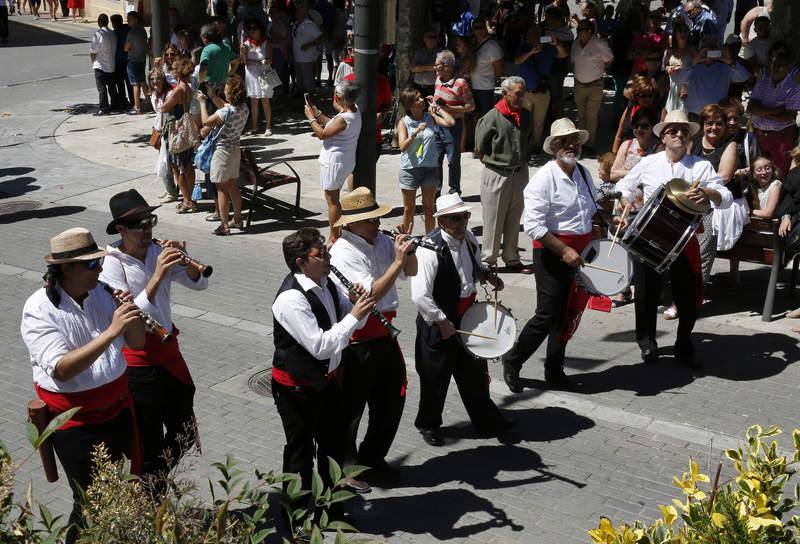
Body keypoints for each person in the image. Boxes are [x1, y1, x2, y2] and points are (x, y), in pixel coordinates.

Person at [21, 227, 145, 544]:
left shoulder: (103, 293)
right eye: (91, 265)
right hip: (75, 425)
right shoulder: (39, 309)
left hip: (115, 412)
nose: (100, 269)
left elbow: (137, 343)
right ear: (66, 268)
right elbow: (62, 370)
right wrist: (110, 331)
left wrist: (132, 318)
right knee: (89, 501)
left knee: (117, 489)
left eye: (98, 262)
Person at [100, 189, 208, 486]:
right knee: (148, 434)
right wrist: (158, 275)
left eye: (151, 222)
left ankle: (152, 478)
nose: (148, 229)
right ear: (121, 229)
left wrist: (187, 265)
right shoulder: (111, 263)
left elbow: (200, 285)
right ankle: (151, 488)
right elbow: (130, 316)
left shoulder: (156, 251)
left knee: (184, 428)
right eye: (140, 225)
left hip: (167, 350)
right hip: (137, 360)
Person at [616, 110, 732, 368]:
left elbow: (726, 198)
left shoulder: (700, 166)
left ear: (689, 136)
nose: (678, 134)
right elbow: (624, 186)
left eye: (683, 130)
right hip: (650, 236)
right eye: (673, 130)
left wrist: (710, 192)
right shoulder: (648, 163)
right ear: (664, 136)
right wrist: (625, 202)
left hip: (685, 238)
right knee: (646, 292)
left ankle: (683, 343)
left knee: (688, 295)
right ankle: (647, 342)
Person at [271, 228, 374, 494]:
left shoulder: (326, 283)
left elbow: (351, 323)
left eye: (326, 251)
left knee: (333, 447)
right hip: (296, 388)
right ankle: (297, 518)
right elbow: (320, 346)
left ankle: (330, 507)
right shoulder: (291, 299)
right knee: (300, 453)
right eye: (321, 254)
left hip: (325, 382)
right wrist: (353, 316)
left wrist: (354, 306)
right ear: (301, 262)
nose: (328, 257)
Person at [502, 118, 599, 392]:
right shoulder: (544, 178)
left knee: (568, 313)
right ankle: (513, 360)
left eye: (574, 140)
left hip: (580, 253)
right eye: (564, 141)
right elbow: (533, 226)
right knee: (547, 315)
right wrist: (564, 249)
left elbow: (590, 211)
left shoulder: (583, 172)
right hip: (552, 253)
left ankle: (554, 369)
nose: (570, 145)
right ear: (554, 145)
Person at [329, 189, 416, 481]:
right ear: (351, 223)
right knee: (351, 409)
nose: (377, 224)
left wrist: (409, 253)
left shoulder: (380, 241)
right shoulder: (342, 252)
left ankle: (373, 456)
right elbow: (370, 296)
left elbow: (410, 272)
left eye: (377, 218)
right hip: (359, 340)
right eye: (370, 220)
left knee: (392, 400)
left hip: (384, 334)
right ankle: (346, 467)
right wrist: (397, 261)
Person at [411, 193, 511, 447]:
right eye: (455, 219)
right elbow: (420, 295)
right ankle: (429, 424)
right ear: (442, 221)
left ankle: (486, 419)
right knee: (435, 377)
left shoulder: (468, 239)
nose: (462, 223)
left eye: (465, 216)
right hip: (439, 320)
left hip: (466, 317)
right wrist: (441, 320)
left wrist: (488, 276)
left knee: (474, 373)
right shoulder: (429, 249)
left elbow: (475, 267)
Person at [475, 76, 533, 273]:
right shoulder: (492, 116)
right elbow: (480, 149)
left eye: (523, 93)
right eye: (518, 94)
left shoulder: (526, 115)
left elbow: (529, 140)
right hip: (497, 173)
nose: (522, 97)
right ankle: (489, 261)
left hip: (520, 173)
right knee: (493, 218)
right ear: (505, 93)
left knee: (514, 217)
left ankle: (511, 257)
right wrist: (497, 164)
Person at [304, 80, 362, 241]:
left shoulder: (344, 118)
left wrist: (310, 118)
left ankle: (334, 236)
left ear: (338, 97)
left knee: (332, 201)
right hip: (344, 161)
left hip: (334, 163)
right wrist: (317, 113)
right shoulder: (354, 112)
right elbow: (332, 125)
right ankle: (338, 231)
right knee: (334, 200)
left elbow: (322, 134)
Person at [396, 87, 455, 234]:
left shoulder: (430, 117)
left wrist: (437, 108)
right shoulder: (404, 122)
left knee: (429, 207)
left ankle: (430, 238)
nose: (422, 100)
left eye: (421, 97)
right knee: (409, 209)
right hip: (410, 169)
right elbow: (402, 147)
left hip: (430, 169)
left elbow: (450, 122)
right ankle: (406, 239)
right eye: (417, 99)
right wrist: (415, 133)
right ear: (410, 105)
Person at [199, 74, 249, 235]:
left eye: (226, 89)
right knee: (234, 187)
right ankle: (238, 219)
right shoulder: (243, 108)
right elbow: (225, 106)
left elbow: (206, 122)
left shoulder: (226, 111)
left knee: (221, 190)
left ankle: (224, 224)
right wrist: (213, 96)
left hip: (222, 152)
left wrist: (202, 103)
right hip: (235, 150)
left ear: (231, 92)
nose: (224, 91)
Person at [748, 50, 800, 179]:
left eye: (781, 65)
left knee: (779, 173)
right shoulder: (762, 82)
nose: (776, 68)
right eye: (774, 64)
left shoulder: (794, 88)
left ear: (788, 68)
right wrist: (776, 110)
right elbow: (751, 108)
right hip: (759, 136)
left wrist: (761, 112)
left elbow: (788, 117)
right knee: (757, 173)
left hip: (781, 138)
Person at [514, 24, 565, 152]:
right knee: (524, 119)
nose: (534, 36)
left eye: (537, 34)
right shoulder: (523, 47)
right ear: (527, 36)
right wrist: (531, 52)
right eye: (531, 34)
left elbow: (563, 55)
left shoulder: (548, 49)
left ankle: (535, 144)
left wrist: (557, 44)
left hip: (541, 91)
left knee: (539, 121)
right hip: (525, 92)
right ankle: (523, 142)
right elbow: (517, 61)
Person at [676, 37, 750, 119]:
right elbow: (679, 79)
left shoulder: (725, 67)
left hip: (716, 115)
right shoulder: (692, 67)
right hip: (694, 115)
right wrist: (695, 61)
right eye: (706, 49)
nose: (710, 51)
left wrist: (729, 61)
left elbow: (744, 77)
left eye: (713, 48)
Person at [434, 50, 475, 196]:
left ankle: (454, 191)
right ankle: (436, 191)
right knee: (436, 160)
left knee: (453, 161)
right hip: (437, 125)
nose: (435, 67)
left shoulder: (461, 83)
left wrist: (449, 108)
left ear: (446, 66)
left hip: (453, 127)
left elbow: (471, 106)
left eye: (437, 64)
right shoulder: (438, 79)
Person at [570, 18, 614, 153]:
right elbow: (573, 61)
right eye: (578, 29)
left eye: (581, 29)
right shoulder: (575, 44)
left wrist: (599, 69)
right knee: (581, 115)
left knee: (591, 115)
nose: (578, 32)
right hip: (579, 85)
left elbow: (610, 59)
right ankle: (581, 140)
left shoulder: (599, 44)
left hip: (595, 85)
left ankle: (590, 143)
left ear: (589, 31)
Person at [162, 58, 198, 215]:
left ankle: (187, 200)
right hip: (187, 130)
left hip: (176, 131)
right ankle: (190, 198)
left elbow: (164, 108)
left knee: (178, 168)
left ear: (177, 72)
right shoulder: (188, 88)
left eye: (173, 70)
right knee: (189, 166)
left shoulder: (178, 90)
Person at [149, 69, 179, 205]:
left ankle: (172, 192)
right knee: (166, 161)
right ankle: (169, 189)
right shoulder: (155, 94)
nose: (155, 82)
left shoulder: (169, 94)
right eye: (152, 79)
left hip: (170, 132)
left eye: (158, 79)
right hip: (161, 130)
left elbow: (166, 111)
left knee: (165, 162)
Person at [240, 18, 273, 136]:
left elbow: (270, 59)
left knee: (265, 100)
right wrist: (243, 53)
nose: (252, 31)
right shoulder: (246, 44)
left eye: (255, 28)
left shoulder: (266, 42)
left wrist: (256, 62)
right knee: (253, 101)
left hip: (263, 74)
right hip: (251, 75)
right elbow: (244, 62)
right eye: (250, 29)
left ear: (261, 30)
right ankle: (254, 126)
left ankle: (268, 126)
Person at [610, 107, 661, 181]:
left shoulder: (659, 149)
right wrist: (638, 174)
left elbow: (654, 177)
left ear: (652, 127)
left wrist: (623, 173)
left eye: (644, 126)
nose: (639, 129)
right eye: (636, 125)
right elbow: (613, 174)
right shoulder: (626, 145)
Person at [612, 75, 660, 152]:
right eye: (643, 96)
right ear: (636, 96)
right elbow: (619, 135)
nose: (648, 99)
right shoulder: (630, 107)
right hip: (625, 150)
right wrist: (614, 154)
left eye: (650, 96)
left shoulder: (659, 112)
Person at [470, 17, 504, 120]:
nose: (479, 30)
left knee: (485, 117)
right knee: (475, 116)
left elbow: (499, 68)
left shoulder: (492, 45)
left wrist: (494, 82)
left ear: (486, 28)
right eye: (476, 28)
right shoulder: (474, 43)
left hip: (485, 88)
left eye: (481, 27)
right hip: (473, 86)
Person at [292, 0, 323, 97]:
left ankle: (311, 103)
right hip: (297, 57)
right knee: (300, 80)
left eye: (299, 10)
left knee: (308, 81)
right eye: (297, 10)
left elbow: (321, 37)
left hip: (307, 58)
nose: (297, 11)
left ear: (305, 11)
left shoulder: (309, 24)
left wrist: (309, 45)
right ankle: (303, 102)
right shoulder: (296, 24)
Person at [663, 19, 695, 117]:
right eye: (680, 31)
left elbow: (697, 69)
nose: (683, 34)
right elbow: (664, 67)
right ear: (675, 34)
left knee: (684, 115)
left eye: (685, 31)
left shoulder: (692, 50)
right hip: (673, 87)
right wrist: (668, 69)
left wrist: (683, 69)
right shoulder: (669, 51)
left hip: (687, 88)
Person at [89, 14, 118, 116]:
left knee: (101, 88)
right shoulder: (112, 34)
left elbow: (93, 51)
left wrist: (93, 61)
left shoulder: (98, 34)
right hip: (111, 65)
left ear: (99, 22)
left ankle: (104, 108)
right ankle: (115, 104)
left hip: (100, 65)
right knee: (111, 87)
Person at [124, 11, 148, 115]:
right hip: (142, 58)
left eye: (129, 19)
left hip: (133, 60)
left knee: (135, 84)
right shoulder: (142, 30)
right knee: (142, 81)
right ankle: (150, 102)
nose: (127, 21)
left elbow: (125, 48)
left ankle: (137, 107)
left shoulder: (131, 33)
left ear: (135, 20)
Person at [410, 30, 440, 97]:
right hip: (418, 87)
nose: (431, 39)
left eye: (434, 37)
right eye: (429, 37)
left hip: (434, 88)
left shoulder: (441, 53)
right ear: (424, 39)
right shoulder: (419, 52)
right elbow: (412, 68)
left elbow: (437, 67)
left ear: (437, 39)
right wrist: (430, 67)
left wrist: (420, 68)